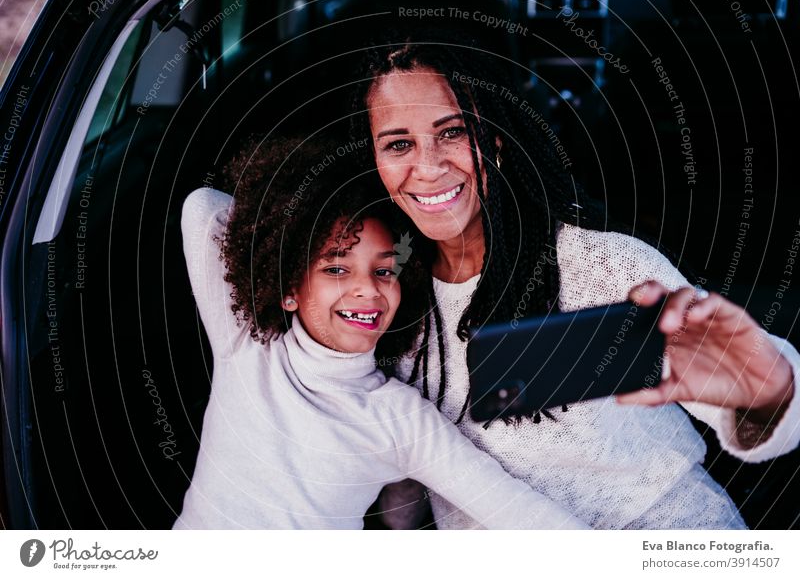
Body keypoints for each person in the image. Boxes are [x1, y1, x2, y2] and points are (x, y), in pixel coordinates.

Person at [349, 31, 800, 529]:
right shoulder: (385, 305)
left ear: (495, 136)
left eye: (453, 132)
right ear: (376, 160)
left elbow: (763, 405)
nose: (429, 167)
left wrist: (772, 389)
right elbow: (406, 497)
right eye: (398, 144)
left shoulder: (602, 266)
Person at [172, 137, 589, 529]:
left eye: (385, 270)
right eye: (336, 268)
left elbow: (518, 512)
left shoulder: (398, 419)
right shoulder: (246, 344)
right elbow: (201, 206)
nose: (369, 289)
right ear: (288, 290)